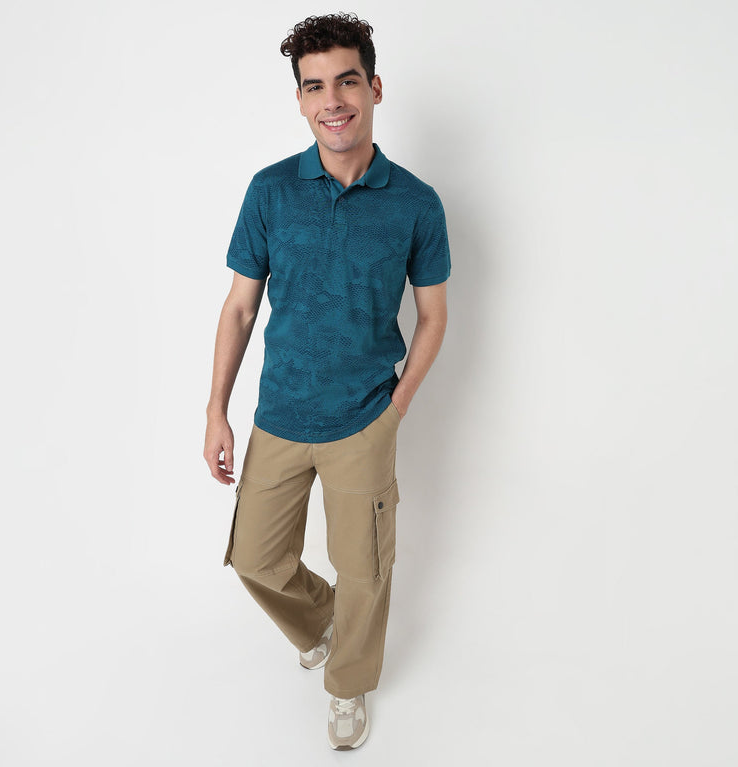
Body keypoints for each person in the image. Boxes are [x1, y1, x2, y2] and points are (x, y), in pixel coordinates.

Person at [203, 12, 450, 751]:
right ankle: (322, 623)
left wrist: (395, 408)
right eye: (315, 86)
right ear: (300, 99)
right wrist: (215, 410)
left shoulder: (415, 203)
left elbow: (433, 316)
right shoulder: (270, 191)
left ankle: (347, 685)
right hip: (279, 413)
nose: (332, 100)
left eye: (346, 81)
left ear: (374, 88)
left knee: (364, 569)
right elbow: (239, 306)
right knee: (255, 559)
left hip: (363, 418)